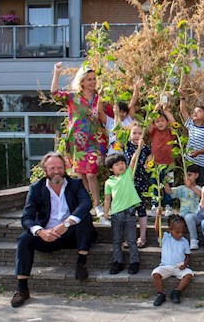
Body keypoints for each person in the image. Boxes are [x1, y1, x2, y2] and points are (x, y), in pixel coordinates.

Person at [12, 152, 96, 307]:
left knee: (85, 217)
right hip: (47, 236)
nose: (56, 171)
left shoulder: (75, 184)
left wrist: (66, 224)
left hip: (71, 234)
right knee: (24, 238)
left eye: (59, 167)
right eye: (52, 168)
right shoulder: (36, 188)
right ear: (45, 170)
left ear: (64, 168)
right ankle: (22, 289)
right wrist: (40, 231)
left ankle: (81, 263)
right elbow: (27, 217)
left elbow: (86, 204)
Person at [50, 62, 108, 219]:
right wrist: (57, 72)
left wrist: (101, 109)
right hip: (77, 142)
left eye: (94, 79)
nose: (93, 82)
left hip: (96, 140)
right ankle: (86, 204)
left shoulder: (100, 97)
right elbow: (54, 93)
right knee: (82, 174)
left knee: (90, 172)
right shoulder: (73, 97)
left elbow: (107, 118)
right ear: (82, 81)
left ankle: (98, 205)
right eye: (89, 79)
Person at [104, 134, 145, 275]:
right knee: (116, 240)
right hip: (116, 214)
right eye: (117, 164)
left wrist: (138, 148)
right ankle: (117, 262)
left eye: (122, 163)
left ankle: (134, 262)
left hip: (129, 212)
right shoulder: (109, 182)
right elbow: (107, 199)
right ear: (111, 168)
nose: (121, 166)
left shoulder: (128, 174)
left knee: (132, 240)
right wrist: (105, 212)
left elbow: (133, 161)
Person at [152, 215, 194, 306]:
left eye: (182, 232)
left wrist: (185, 264)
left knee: (189, 275)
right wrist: (158, 216)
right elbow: (157, 229)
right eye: (177, 232)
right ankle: (160, 294)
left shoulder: (184, 242)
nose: (180, 234)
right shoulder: (165, 237)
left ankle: (176, 292)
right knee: (156, 274)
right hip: (165, 266)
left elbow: (188, 257)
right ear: (170, 230)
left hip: (179, 267)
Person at [123, 123, 152, 248]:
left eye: (140, 133)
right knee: (129, 211)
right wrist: (137, 150)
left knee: (141, 209)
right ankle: (129, 238)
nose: (137, 136)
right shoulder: (127, 147)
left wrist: (148, 162)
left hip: (142, 182)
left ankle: (142, 236)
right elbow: (131, 165)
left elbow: (150, 160)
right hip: (129, 182)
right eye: (134, 133)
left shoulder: (146, 148)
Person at [148, 102, 177, 215]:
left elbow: (174, 123)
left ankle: (168, 205)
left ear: (167, 122)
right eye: (157, 121)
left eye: (162, 120)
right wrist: (155, 111)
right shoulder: (153, 132)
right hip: (155, 164)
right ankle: (155, 205)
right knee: (155, 185)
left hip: (169, 164)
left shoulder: (171, 132)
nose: (160, 123)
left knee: (168, 185)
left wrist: (166, 111)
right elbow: (148, 123)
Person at [100, 77, 142, 156]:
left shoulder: (129, 120)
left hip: (128, 154)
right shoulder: (110, 121)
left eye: (124, 112)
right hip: (113, 153)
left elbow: (132, 104)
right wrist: (100, 95)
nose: (121, 114)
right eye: (119, 112)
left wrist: (136, 89)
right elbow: (100, 111)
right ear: (115, 111)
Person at [179, 94, 204, 188]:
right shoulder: (191, 126)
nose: (195, 113)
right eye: (194, 111)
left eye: (199, 111)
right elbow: (183, 111)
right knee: (189, 185)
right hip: (190, 162)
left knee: (203, 187)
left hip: (202, 165)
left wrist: (198, 152)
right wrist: (182, 97)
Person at [164, 164, 201, 250]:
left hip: (195, 215)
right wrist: (165, 182)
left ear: (196, 175)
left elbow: (201, 195)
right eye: (186, 175)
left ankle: (194, 239)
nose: (187, 178)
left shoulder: (198, 188)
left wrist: (191, 187)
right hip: (183, 215)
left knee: (188, 217)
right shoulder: (181, 188)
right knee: (176, 219)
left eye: (190, 175)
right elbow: (169, 191)